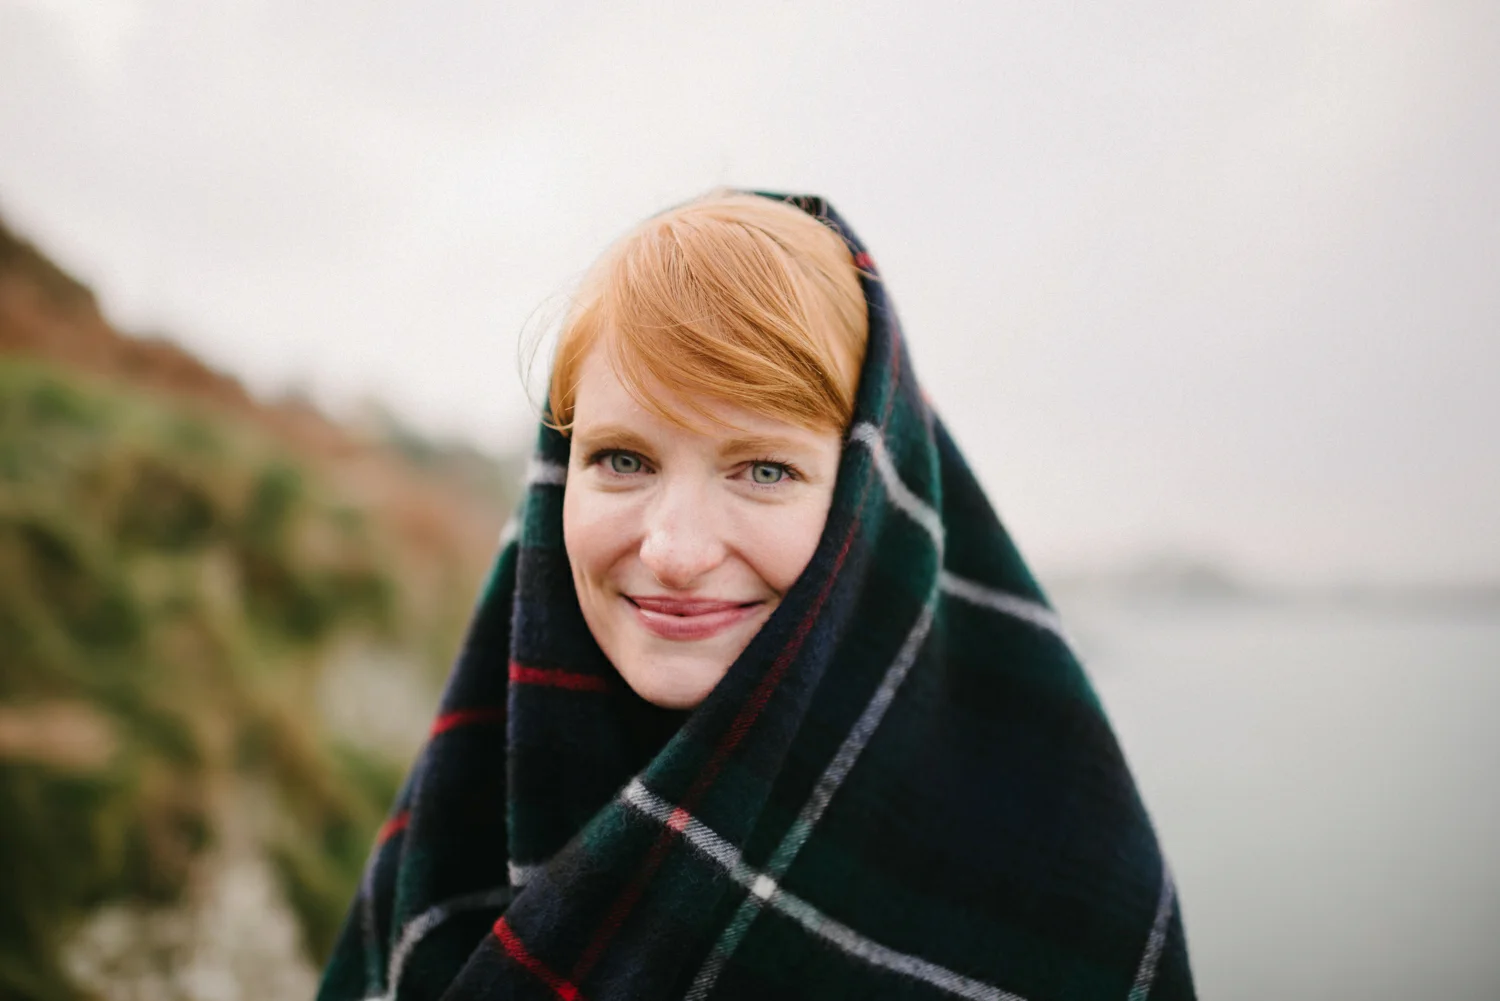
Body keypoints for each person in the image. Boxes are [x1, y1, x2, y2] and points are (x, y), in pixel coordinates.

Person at [317, 191, 1195, 1000]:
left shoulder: (1070, 902)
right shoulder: (461, 815)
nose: (676, 552)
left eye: (764, 470)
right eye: (622, 459)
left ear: (866, 499)